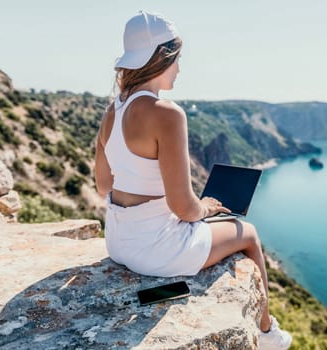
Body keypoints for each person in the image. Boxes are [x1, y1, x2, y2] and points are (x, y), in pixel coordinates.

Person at [94, 11, 292, 349]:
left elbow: (103, 186)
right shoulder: (167, 114)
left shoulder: (114, 109)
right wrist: (206, 207)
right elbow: (184, 209)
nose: (180, 69)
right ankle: (267, 332)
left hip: (118, 242)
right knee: (249, 233)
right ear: (162, 57)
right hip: (158, 252)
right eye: (177, 60)